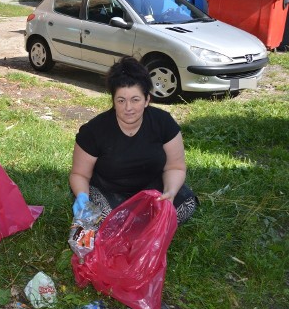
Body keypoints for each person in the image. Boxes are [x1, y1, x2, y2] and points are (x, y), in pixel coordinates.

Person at [69, 56, 197, 224]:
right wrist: (83, 199)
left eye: (135, 100)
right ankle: (138, 225)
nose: (128, 108)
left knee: (186, 204)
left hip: (152, 189)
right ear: (113, 101)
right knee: (108, 219)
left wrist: (170, 192)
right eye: (121, 100)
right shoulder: (93, 131)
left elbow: (175, 167)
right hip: (109, 191)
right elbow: (79, 174)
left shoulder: (164, 123)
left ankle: (142, 224)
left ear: (147, 100)